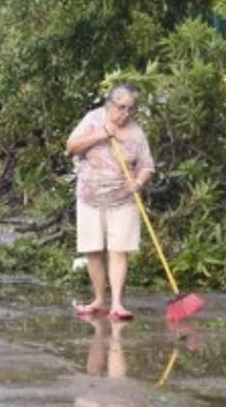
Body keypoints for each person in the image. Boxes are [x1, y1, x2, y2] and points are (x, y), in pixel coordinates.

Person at [66, 84, 154, 321]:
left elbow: (147, 166)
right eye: (121, 107)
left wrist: (138, 182)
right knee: (93, 250)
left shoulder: (136, 132)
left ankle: (116, 303)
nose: (125, 113)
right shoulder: (92, 120)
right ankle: (98, 299)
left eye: (130, 109)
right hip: (90, 196)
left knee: (118, 250)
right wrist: (100, 134)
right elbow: (70, 147)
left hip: (123, 199)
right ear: (110, 104)